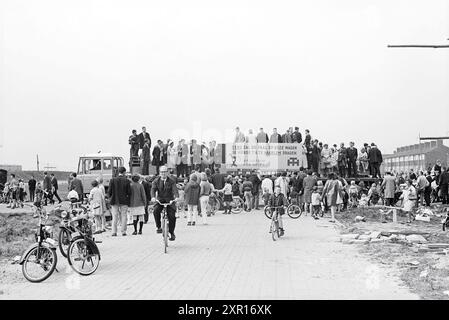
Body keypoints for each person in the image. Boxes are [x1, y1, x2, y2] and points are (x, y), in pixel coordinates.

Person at [151, 166, 179, 240]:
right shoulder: (156, 181)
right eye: (161, 172)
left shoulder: (171, 181)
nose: (163, 173)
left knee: (172, 216)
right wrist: (153, 197)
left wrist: (176, 197)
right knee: (155, 210)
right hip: (160, 200)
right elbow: (153, 190)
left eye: (165, 172)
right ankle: (159, 226)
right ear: (159, 173)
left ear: (167, 172)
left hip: (170, 200)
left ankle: (172, 232)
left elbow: (175, 190)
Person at [108, 166, 131, 237]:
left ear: (118, 172)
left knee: (115, 216)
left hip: (114, 200)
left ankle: (114, 232)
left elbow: (109, 191)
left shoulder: (112, 180)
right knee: (124, 216)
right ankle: (123, 231)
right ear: (124, 172)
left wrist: (110, 197)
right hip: (124, 201)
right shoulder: (126, 181)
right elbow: (129, 192)